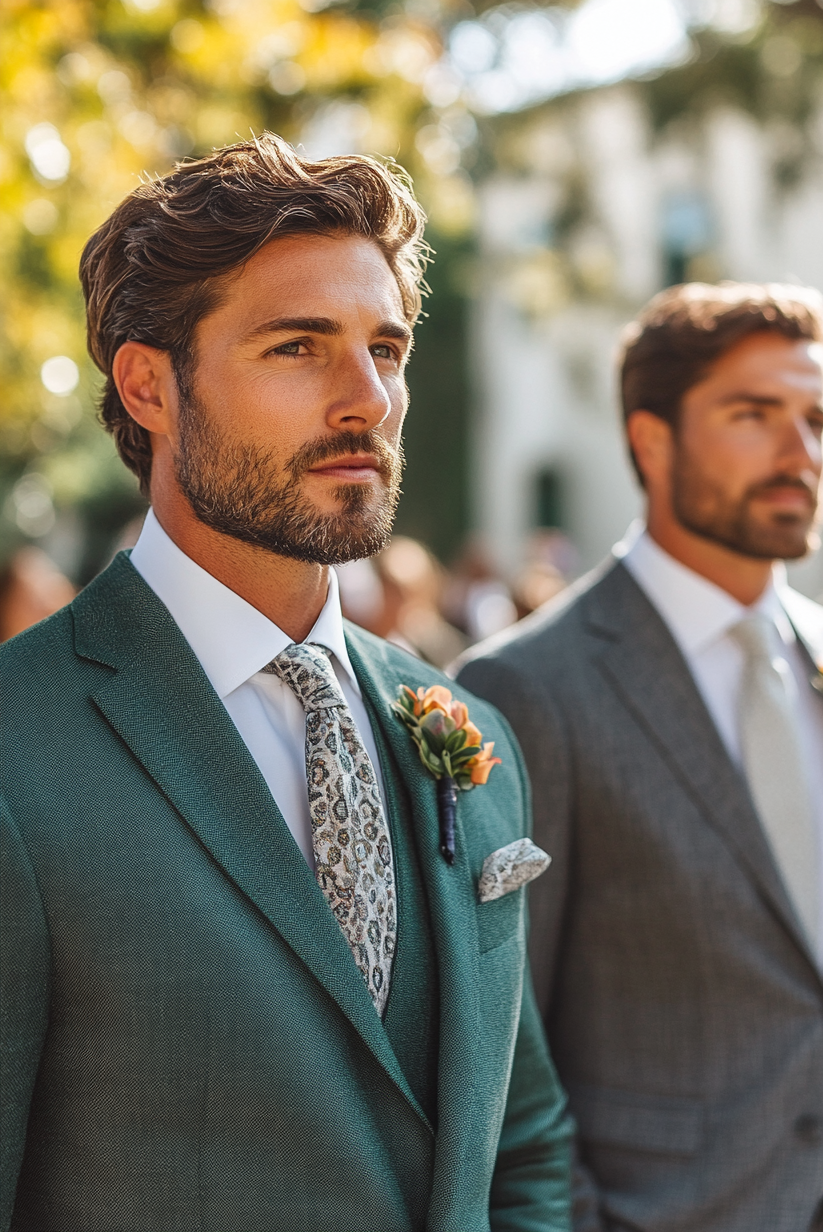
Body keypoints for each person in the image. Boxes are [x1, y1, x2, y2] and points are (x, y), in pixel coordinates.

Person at [0, 134, 572, 1232]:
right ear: (148, 384)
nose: (367, 398)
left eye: (387, 348)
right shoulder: (19, 749)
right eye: (298, 347)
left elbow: (523, 1134)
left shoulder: (459, 726)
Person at [457, 283, 823, 1232]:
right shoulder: (528, 689)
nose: (801, 452)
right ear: (651, 440)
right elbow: (505, 1042)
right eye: (754, 415)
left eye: (816, 419)